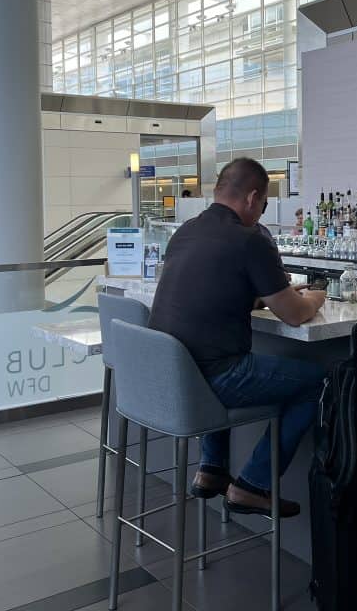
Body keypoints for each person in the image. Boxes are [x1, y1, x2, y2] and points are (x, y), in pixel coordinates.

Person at [148, 157, 327, 517]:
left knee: (213, 351)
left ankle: (212, 468)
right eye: (262, 205)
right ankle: (252, 485)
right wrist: (316, 296)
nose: (260, 213)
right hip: (212, 377)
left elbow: (212, 291)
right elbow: (294, 315)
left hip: (169, 376)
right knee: (320, 383)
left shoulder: (185, 231)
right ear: (252, 198)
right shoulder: (249, 239)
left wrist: (261, 294)